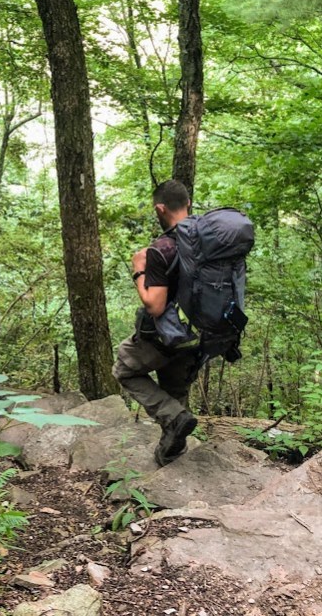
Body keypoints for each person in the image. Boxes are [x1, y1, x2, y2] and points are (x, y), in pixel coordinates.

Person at [113, 180, 200, 466]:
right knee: (175, 391)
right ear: (188, 203)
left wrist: (139, 270)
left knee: (124, 370)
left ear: (160, 208)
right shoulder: (207, 240)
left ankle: (175, 419)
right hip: (201, 333)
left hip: (166, 336)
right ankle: (171, 450)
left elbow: (155, 304)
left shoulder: (162, 248)